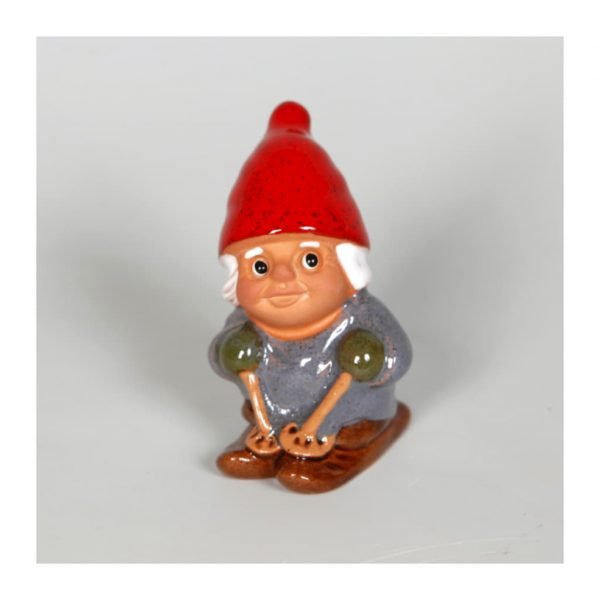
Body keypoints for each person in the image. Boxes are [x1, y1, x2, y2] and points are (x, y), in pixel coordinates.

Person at [209, 101, 412, 493]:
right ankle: (266, 441)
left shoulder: (359, 316)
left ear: (349, 269)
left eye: (310, 260)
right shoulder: (246, 323)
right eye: (260, 266)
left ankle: (346, 449)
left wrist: (375, 359)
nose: (283, 278)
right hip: (270, 417)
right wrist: (229, 352)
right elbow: (221, 359)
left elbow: (397, 357)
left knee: (354, 428)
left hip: (347, 416)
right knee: (260, 414)